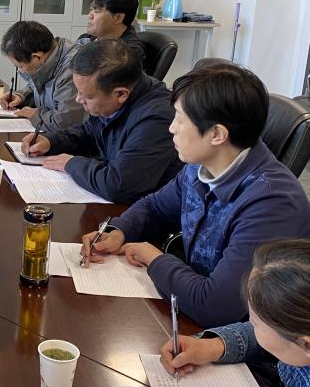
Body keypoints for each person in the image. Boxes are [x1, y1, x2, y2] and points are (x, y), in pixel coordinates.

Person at [80, 64, 310, 327]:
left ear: (217, 134)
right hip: (189, 300)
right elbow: (155, 206)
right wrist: (119, 231)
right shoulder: (201, 165)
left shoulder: (272, 204)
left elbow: (214, 306)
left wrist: (153, 258)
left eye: (180, 119)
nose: (171, 128)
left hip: (245, 337)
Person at [159, 239, 310, 387]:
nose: (251, 325)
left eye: (255, 323)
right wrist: (215, 346)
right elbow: (271, 334)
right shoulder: (296, 333)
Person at [22, 39, 181, 204]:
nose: (78, 99)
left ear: (121, 94)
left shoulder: (157, 120)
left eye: (87, 96)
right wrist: (51, 141)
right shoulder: (115, 98)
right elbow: (90, 132)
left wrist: (71, 164)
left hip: (144, 210)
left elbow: (119, 186)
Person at [0, 20, 84, 132]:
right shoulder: (52, 55)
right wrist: (21, 96)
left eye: (21, 66)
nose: (20, 70)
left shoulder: (72, 70)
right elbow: (39, 85)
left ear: (37, 57)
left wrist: (36, 115)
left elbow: (65, 123)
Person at [78, 0, 146, 64]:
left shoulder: (128, 55)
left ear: (118, 18)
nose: (90, 15)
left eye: (96, 10)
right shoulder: (86, 38)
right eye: (91, 9)